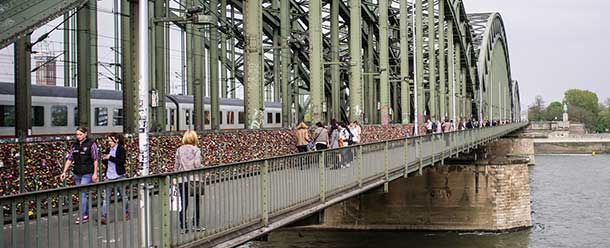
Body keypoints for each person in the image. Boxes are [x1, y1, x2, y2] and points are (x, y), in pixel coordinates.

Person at [60, 127, 99, 224]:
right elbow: (70, 158)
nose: (78, 136)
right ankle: (85, 213)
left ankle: (83, 215)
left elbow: (95, 159)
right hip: (77, 172)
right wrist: (64, 171)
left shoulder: (91, 144)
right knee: (82, 194)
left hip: (87, 172)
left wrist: (95, 173)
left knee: (82, 194)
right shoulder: (74, 145)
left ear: (85, 134)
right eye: (77, 134)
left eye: (80, 134)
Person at [174, 130, 203, 231]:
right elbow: (197, 164)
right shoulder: (196, 150)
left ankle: (183, 226)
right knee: (197, 202)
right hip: (194, 179)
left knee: (184, 202)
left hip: (182, 178)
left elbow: (176, 166)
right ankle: (196, 225)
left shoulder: (179, 150)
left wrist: (174, 178)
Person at [100, 133, 129, 225]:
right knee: (106, 198)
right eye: (108, 141)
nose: (109, 143)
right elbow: (106, 163)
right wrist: (104, 158)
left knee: (123, 195)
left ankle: (125, 212)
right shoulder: (108, 149)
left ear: (116, 140)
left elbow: (121, 161)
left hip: (119, 175)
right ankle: (104, 216)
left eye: (110, 141)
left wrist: (110, 157)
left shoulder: (121, 149)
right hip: (109, 175)